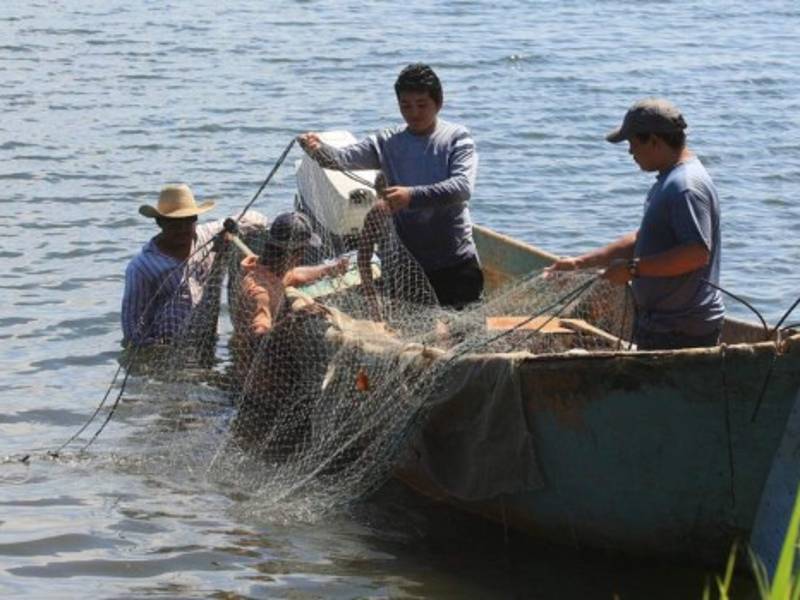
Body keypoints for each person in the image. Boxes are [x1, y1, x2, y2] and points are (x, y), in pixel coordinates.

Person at [298, 62, 483, 309]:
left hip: (455, 261)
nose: (414, 113)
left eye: (421, 105)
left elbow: (461, 188)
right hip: (408, 267)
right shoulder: (386, 141)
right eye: (406, 106)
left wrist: (411, 196)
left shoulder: (457, 138)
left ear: (438, 103)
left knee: (464, 331)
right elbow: (342, 159)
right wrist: (317, 149)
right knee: (417, 338)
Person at [545, 98, 724, 350]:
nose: (630, 152)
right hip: (663, 325)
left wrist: (632, 269)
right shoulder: (670, 179)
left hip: (680, 330)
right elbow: (644, 239)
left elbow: (695, 253)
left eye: (632, 143)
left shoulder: (685, 187)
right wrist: (580, 263)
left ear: (654, 140)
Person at [121, 183, 267, 348]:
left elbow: (257, 218)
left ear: (195, 220)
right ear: (160, 222)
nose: (183, 229)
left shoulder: (206, 236)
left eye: (188, 221)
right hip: (168, 347)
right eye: (175, 223)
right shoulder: (141, 268)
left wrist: (233, 228)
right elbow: (132, 330)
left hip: (209, 339)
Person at [237, 211, 348, 338]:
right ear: (296, 254)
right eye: (304, 250)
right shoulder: (262, 293)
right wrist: (293, 318)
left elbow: (294, 275)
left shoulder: (267, 268)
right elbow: (258, 336)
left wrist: (329, 269)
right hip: (258, 355)